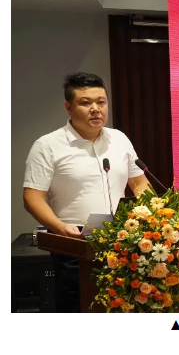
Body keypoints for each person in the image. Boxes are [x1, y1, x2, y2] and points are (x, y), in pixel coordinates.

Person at [23, 72, 151, 312]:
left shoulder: (119, 139)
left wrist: (154, 215)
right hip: (75, 242)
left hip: (124, 240)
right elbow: (32, 197)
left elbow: (139, 183)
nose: (95, 109)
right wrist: (60, 228)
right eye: (86, 102)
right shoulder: (48, 145)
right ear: (68, 107)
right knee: (80, 309)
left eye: (101, 102)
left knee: (126, 308)